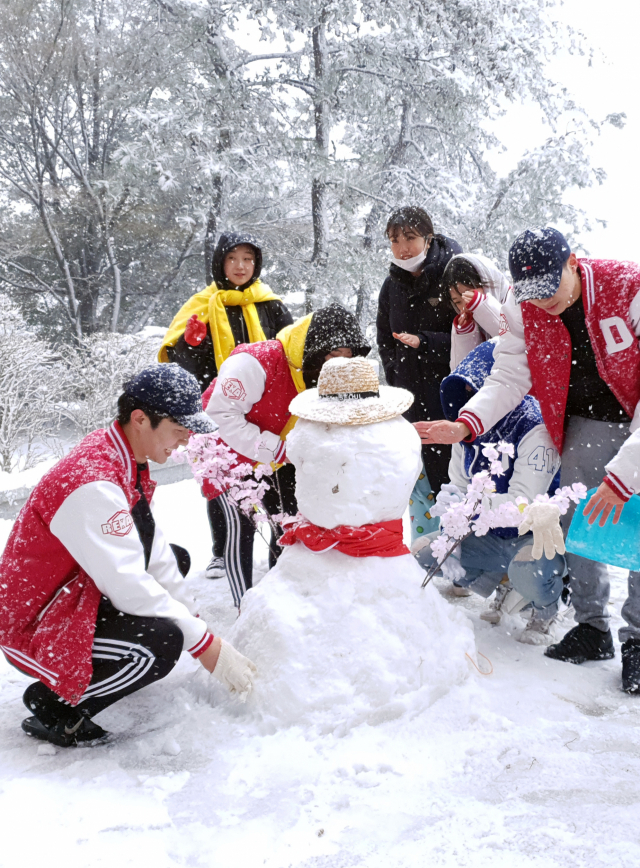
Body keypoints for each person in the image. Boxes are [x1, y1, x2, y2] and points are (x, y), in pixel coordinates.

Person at [417, 227, 640, 692]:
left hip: (634, 414)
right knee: (575, 517)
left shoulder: (627, 288)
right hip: (580, 418)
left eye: (551, 288)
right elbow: (508, 375)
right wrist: (467, 424)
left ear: (573, 262)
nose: (543, 303)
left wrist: (624, 476)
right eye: (531, 293)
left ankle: (638, 637)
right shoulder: (524, 306)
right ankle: (591, 625)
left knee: (636, 517)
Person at [0, 364, 256, 747]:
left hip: (72, 592)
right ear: (140, 419)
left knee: (175, 564)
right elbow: (126, 582)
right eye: (179, 429)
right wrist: (202, 644)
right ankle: (55, 705)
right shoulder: (93, 482)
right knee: (159, 644)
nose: (185, 441)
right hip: (33, 623)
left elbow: (152, 548)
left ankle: (105, 667)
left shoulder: (122, 457)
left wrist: (196, 622)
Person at [204, 303, 371, 609]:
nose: (339, 364)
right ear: (316, 348)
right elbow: (219, 414)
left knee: (289, 523)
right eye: (334, 355)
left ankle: (284, 601)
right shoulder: (255, 362)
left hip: (280, 449)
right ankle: (246, 608)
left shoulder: (324, 374)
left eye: (348, 357)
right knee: (243, 526)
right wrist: (277, 449)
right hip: (227, 449)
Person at [159, 232, 293, 581]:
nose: (240, 266)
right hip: (217, 407)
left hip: (266, 406)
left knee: (274, 476)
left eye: (247, 259)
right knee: (222, 480)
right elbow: (181, 366)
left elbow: (289, 350)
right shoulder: (202, 305)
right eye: (233, 259)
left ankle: (279, 545)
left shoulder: (270, 304)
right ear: (220, 262)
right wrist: (190, 344)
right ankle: (222, 550)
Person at [413, 339, 565, 644]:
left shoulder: (534, 427)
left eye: (476, 393)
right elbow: (457, 481)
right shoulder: (466, 430)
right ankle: (503, 582)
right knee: (423, 554)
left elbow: (523, 505)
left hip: (532, 534)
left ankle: (546, 607)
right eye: (464, 394)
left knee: (530, 569)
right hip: (487, 534)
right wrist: (450, 508)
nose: (469, 402)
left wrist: (470, 507)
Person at [376, 206, 462, 497]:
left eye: (410, 238)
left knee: (457, 483)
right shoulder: (391, 285)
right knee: (422, 486)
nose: (401, 248)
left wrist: (426, 343)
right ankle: (430, 542)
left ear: (429, 238)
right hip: (411, 399)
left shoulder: (455, 274)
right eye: (394, 240)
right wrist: (397, 375)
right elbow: (385, 340)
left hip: (453, 397)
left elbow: (474, 337)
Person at [442, 253, 511, 370]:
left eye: (470, 295)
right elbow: (460, 371)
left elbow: (515, 341)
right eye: (458, 302)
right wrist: (465, 333)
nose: (465, 307)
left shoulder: (516, 301)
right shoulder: (465, 320)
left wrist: (483, 306)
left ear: (487, 281)